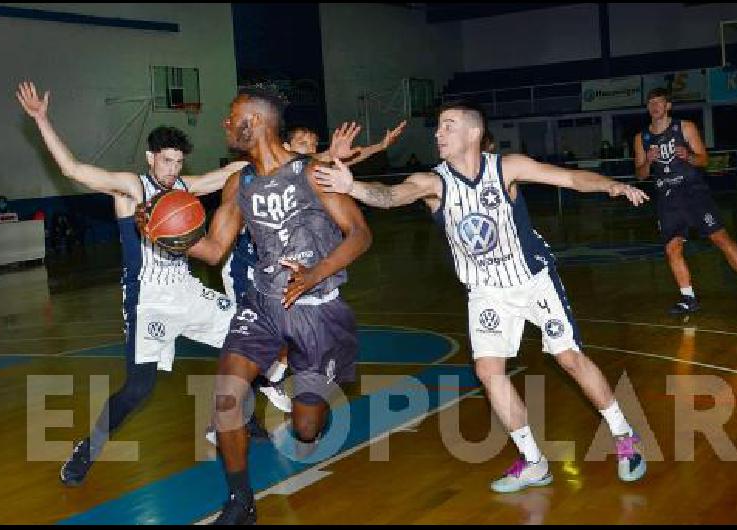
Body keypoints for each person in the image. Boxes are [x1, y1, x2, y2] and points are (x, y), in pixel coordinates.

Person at [314, 100, 649, 494]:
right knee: (489, 372)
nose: (438, 133)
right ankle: (534, 461)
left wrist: (611, 185)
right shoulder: (433, 183)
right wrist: (353, 187)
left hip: (532, 280)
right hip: (485, 291)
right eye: (438, 127)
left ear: (473, 133)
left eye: (448, 126)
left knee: (569, 358)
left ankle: (625, 437)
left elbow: (571, 179)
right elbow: (391, 196)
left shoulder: (507, 167)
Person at [16, 80, 248, 486]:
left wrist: (300, 157)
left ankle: (223, 421)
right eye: (166, 161)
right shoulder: (130, 188)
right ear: (150, 158)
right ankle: (88, 449)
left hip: (188, 291)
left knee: (252, 335)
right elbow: (73, 170)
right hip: (149, 302)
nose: (173, 169)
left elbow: (230, 172)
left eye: (178, 162)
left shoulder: (183, 187)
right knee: (138, 390)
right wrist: (41, 120)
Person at [185, 87, 372, 524]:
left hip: (317, 309)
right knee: (227, 396)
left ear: (257, 121)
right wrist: (167, 237)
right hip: (263, 303)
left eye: (232, 117)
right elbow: (214, 250)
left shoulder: (311, 173)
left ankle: (316, 414)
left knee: (306, 429)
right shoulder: (239, 182)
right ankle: (240, 502)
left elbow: (360, 233)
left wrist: (314, 273)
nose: (225, 125)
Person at [211, 119, 408, 435]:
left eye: (314, 143)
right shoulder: (249, 173)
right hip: (249, 269)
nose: (310, 147)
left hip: (301, 279)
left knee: (293, 347)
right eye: (302, 139)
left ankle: (279, 380)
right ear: (284, 144)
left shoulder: (311, 172)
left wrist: (378, 147)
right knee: (249, 347)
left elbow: (343, 165)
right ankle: (239, 409)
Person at [634, 87, 737, 313]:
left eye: (659, 102)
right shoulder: (642, 138)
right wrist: (647, 161)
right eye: (651, 103)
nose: (655, 106)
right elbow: (640, 174)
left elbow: (704, 160)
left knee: (720, 237)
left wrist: (689, 156)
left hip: (693, 193)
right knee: (672, 248)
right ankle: (688, 298)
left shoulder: (685, 127)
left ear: (668, 106)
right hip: (667, 199)